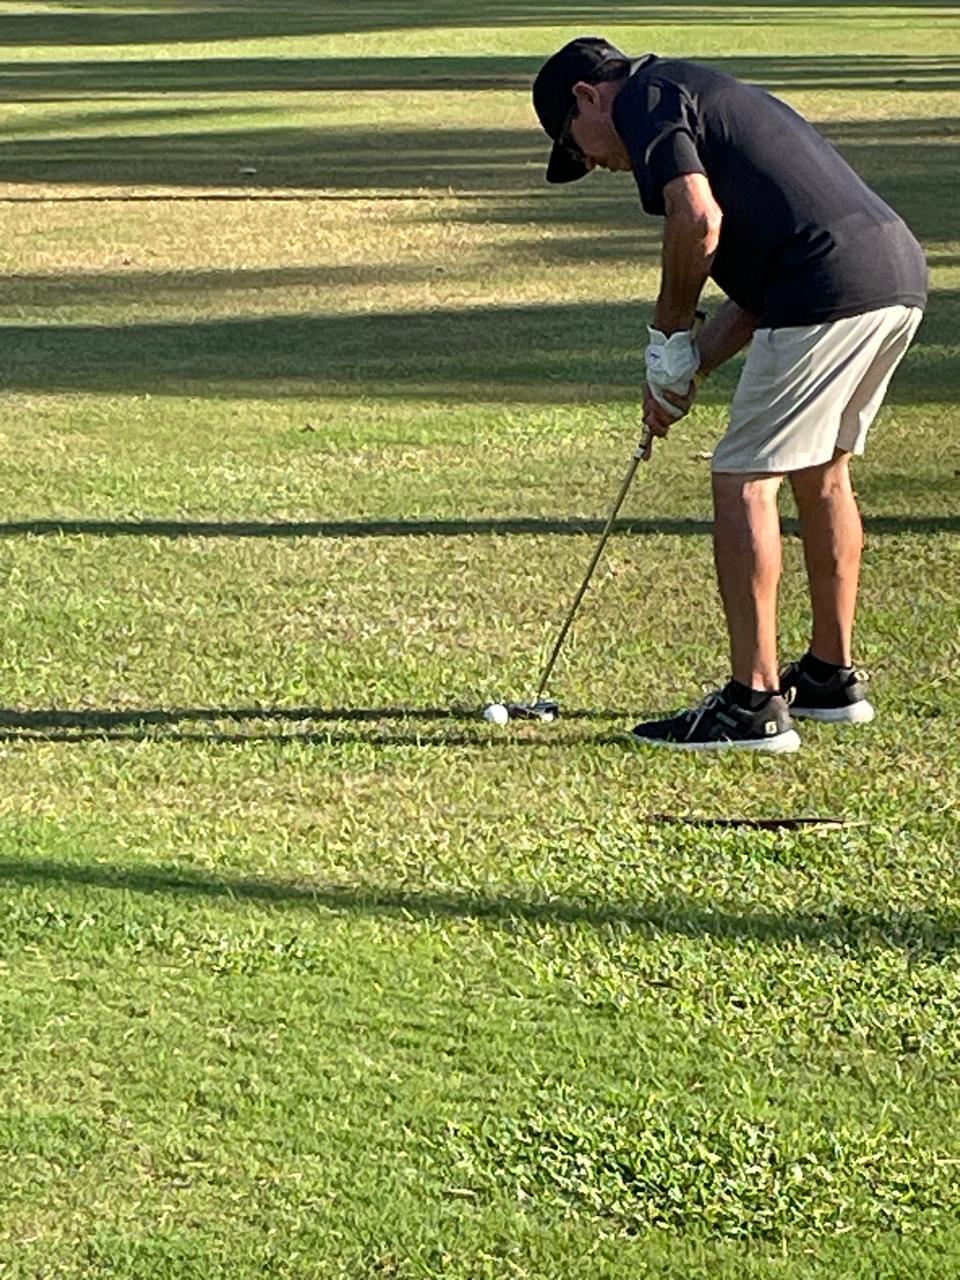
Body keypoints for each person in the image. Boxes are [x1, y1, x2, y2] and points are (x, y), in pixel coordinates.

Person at [532, 37, 927, 753]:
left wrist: (667, 336)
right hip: (890, 273)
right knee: (822, 471)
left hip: (825, 285)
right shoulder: (699, 94)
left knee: (744, 478)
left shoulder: (646, 97)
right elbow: (754, 295)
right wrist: (686, 374)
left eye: (573, 144)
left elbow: (696, 220)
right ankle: (830, 678)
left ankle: (753, 704)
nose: (590, 163)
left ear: (589, 96)